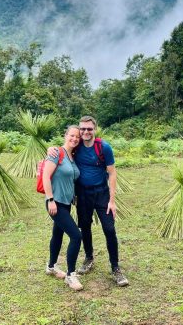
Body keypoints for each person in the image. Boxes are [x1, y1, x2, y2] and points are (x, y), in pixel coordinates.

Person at [49, 115, 129, 287]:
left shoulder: (104, 148)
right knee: (84, 226)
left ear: (95, 129)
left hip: (101, 194)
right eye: (83, 129)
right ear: (80, 130)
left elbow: (112, 173)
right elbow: (62, 150)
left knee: (109, 228)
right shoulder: (76, 146)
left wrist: (112, 201)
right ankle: (89, 257)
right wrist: (51, 149)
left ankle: (115, 268)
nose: (86, 132)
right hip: (82, 194)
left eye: (89, 129)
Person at [42, 125, 83, 291]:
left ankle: (51, 267)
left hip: (66, 203)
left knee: (57, 234)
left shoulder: (73, 156)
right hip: (55, 202)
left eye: (77, 137)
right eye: (71, 135)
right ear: (65, 135)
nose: (74, 139)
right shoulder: (56, 153)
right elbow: (46, 175)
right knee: (76, 236)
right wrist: (50, 199)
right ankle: (70, 275)